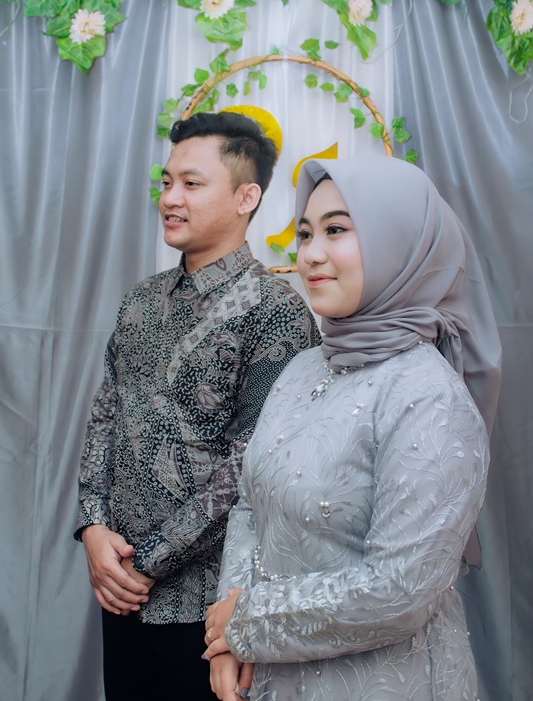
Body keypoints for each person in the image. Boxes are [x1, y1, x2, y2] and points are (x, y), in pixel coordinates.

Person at [203, 155, 502, 701]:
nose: (311, 254)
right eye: (305, 234)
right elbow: (249, 505)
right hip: (270, 676)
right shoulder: (302, 368)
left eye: (336, 230)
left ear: (400, 243)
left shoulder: (428, 397)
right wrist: (226, 637)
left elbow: (400, 590)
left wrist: (246, 624)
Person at [74, 111, 321, 700]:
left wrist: (146, 563)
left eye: (191, 183)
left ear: (245, 197)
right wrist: (93, 528)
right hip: (119, 589)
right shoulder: (140, 301)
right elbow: (105, 416)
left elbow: (252, 465)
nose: (170, 198)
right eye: (166, 182)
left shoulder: (278, 312)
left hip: (210, 608)